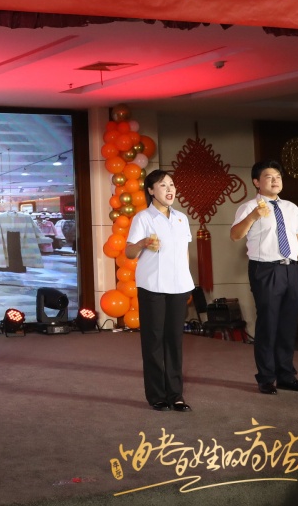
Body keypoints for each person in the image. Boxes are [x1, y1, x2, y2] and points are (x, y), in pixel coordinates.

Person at [230, 160, 298, 395]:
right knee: (268, 323)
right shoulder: (248, 207)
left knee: (288, 324)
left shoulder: (291, 208)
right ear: (256, 182)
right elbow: (235, 235)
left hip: (291, 269)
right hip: (265, 270)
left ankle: (286, 376)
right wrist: (254, 216)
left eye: (278, 177)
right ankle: (266, 377)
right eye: (269, 177)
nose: (275, 181)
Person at [126, 169, 194, 412]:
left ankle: (176, 395)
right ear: (151, 190)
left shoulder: (181, 218)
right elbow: (129, 252)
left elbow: (185, 253)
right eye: (163, 185)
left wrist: (186, 280)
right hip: (152, 286)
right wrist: (143, 243)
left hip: (178, 286)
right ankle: (156, 395)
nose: (169, 189)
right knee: (154, 340)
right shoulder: (143, 218)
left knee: (174, 341)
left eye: (172, 184)